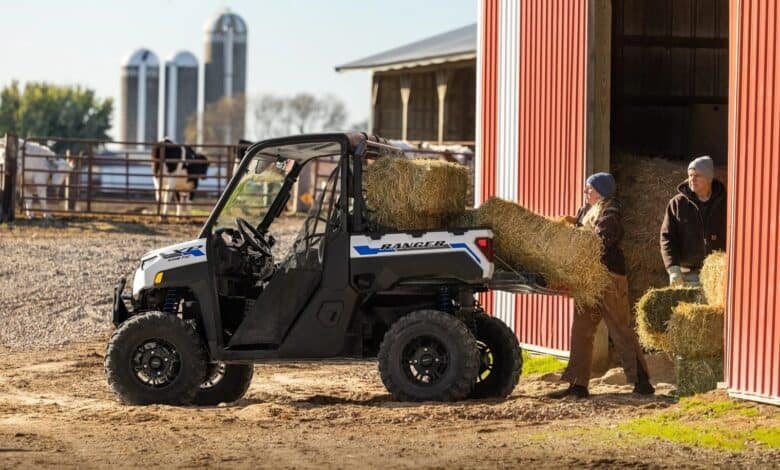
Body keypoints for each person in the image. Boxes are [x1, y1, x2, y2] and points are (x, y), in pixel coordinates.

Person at [550, 172, 654, 398]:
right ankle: (577, 384)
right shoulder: (585, 210)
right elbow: (580, 230)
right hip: (588, 279)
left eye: (590, 188)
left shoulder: (610, 212)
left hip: (608, 277)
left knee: (620, 329)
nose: (585, 191)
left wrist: (577, 240)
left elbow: (601, 240)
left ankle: (642, 382)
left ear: (601, 191)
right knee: (581, 330)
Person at [660, 156, 727, 286]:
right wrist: (673, 269)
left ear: (709, 178)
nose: (692, 179)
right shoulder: (677, 204)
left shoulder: (725, 203)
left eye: (697, 176)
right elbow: (667, 237)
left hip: (718, 274)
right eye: (690, 175)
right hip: (686, 274)